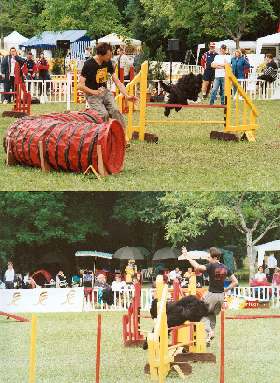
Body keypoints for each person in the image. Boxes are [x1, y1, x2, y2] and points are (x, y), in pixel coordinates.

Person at [181, 246, 238, 345]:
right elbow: (235, 282)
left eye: (209, 257)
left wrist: (187, 256)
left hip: (212, 295)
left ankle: (209, 332)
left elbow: (198, 267)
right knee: (211, 315)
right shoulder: (225, 268)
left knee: (200, 313)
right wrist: (226, 289)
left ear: (215, 258)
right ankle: (208, 338)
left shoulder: (211, 266)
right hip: (221, 296)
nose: (208, 259)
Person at [78, 42, 137, 134]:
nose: (111, 57)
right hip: (92, 96)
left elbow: (117, 81)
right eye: (109, 55)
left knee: (115, 111)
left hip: (105, 93)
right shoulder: (88, 64)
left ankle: (122, 136)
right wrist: (93, 92)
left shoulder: (108, 62)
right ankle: (104, 137)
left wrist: (126, 95)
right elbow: (80, 85)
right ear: (101, 54)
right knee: (103, 114)